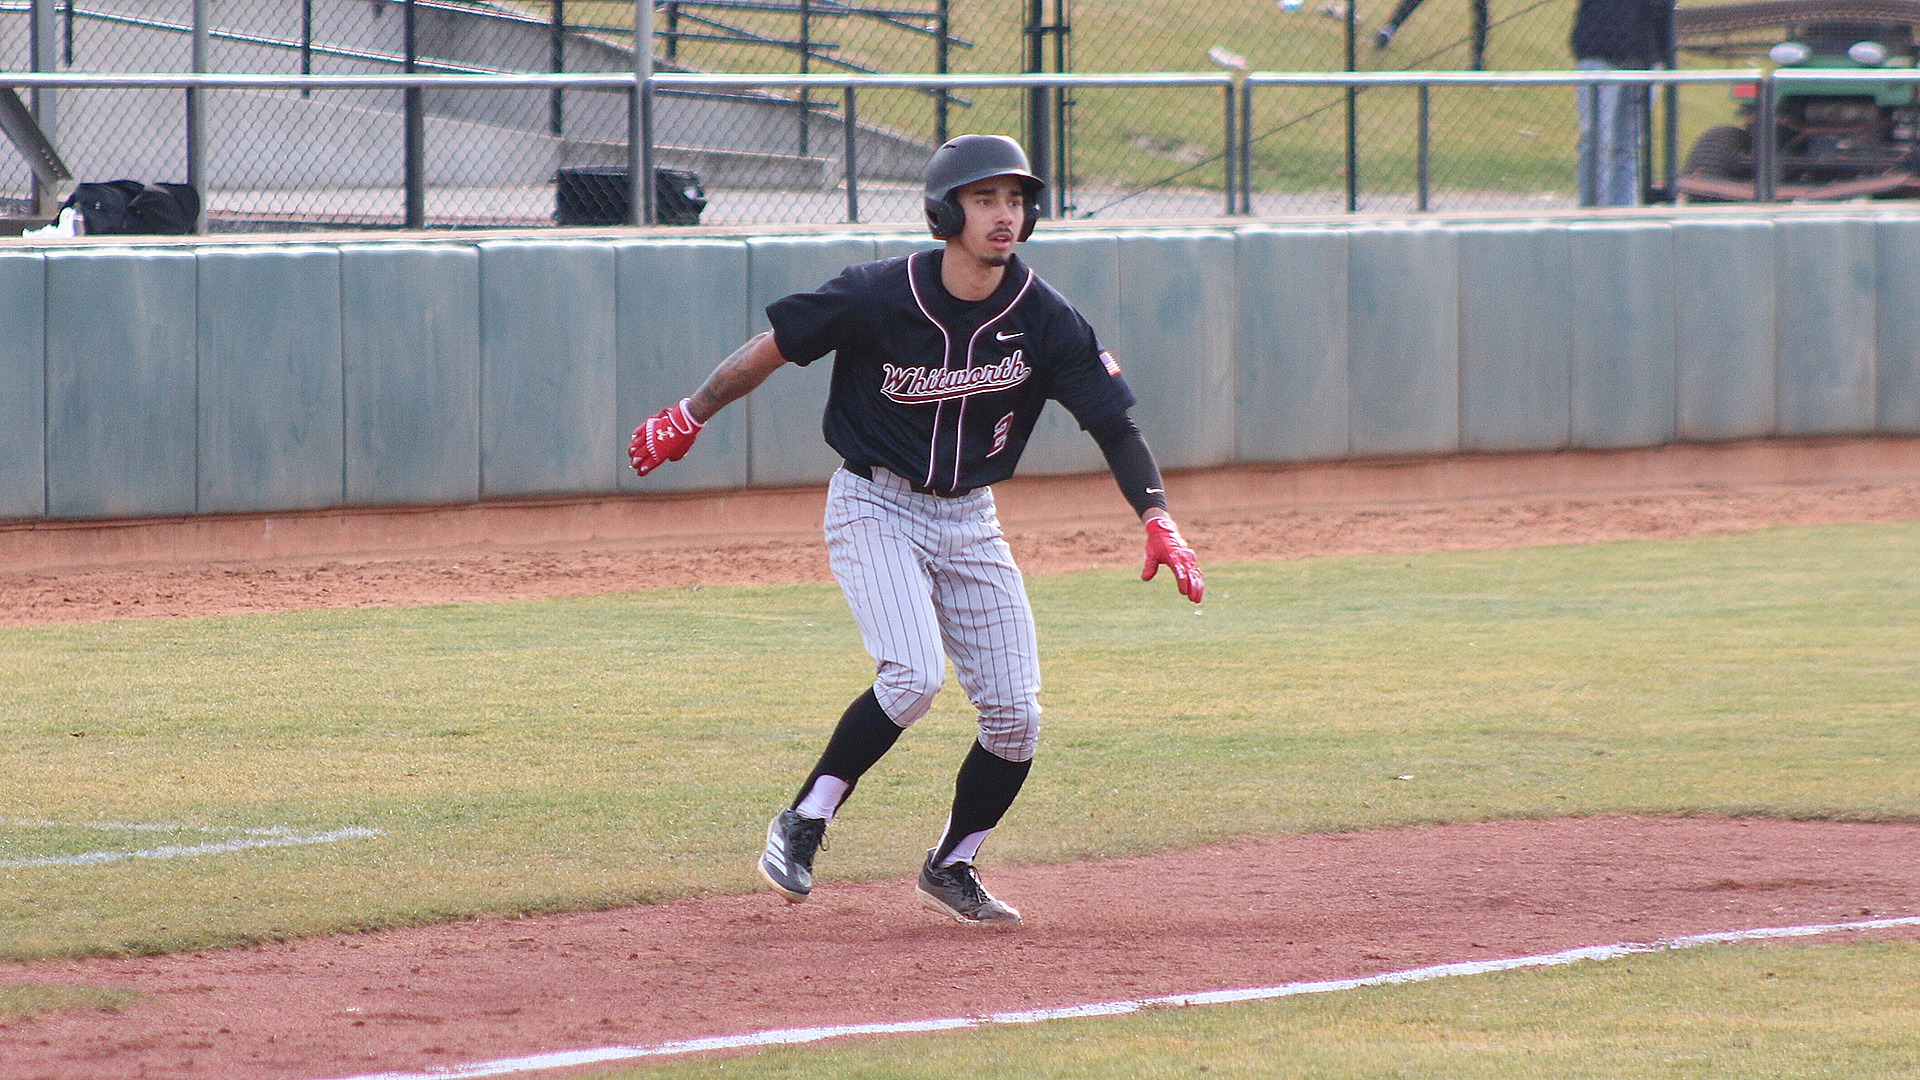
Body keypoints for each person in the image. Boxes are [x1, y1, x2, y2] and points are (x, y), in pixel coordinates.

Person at [627, 134, 1204, 928]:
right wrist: (690, 413)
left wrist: (1157, 515)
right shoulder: (877, 294)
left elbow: (1114, 423)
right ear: (943, 211)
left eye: (1015, 200)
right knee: (912, 676)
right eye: (984, 198)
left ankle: (952, 863)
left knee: (1017, 717)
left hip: (971, 518)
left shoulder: (1043, 316)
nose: (1004, 215)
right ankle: (804, 820)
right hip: (875, 504)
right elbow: (773, 349)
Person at [1571, 0, 1676, 207]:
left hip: (1646, 54)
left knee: (1629, 144)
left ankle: (1623, 211)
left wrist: (1662, 50)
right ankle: (1593, 211)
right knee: (1595, 139)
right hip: (1600, 50)